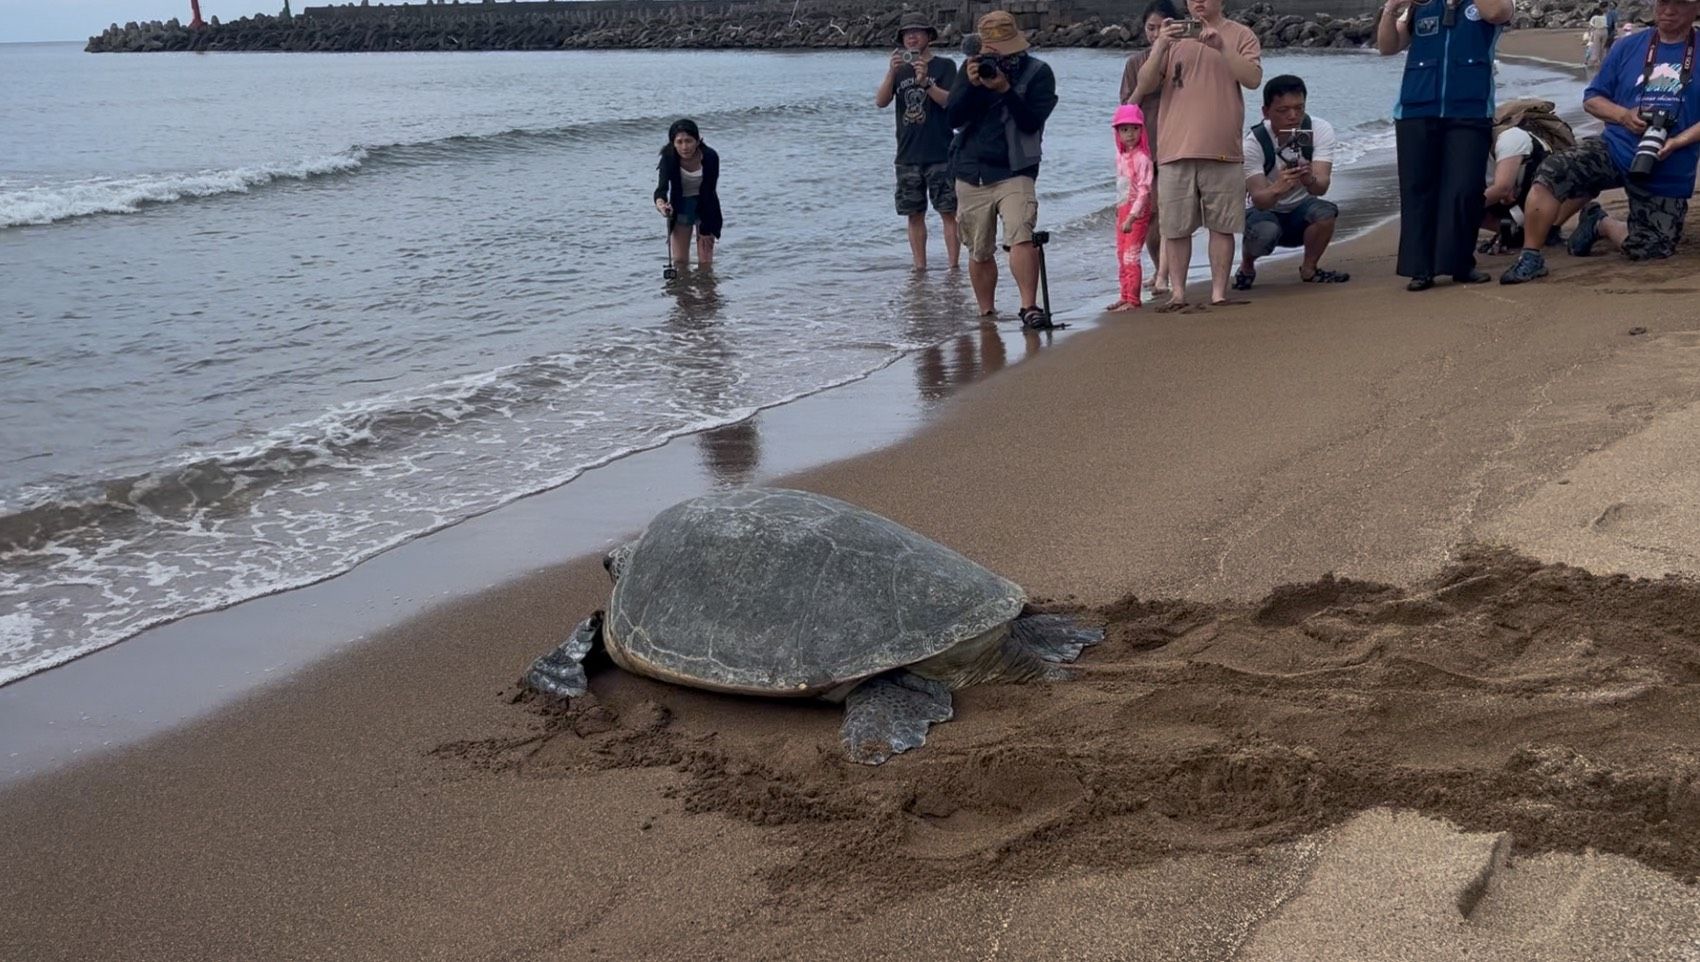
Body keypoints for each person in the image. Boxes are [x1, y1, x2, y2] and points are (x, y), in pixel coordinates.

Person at [1501, 0, 1700, 282]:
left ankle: (1600, 223)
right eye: (1663, 1)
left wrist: (1679, 141)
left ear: (1696, 8)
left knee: (1650, 248)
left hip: (1668, 161)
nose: (1668, 10)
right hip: (1615, 147)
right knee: (1553, 170)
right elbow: (1592, 99)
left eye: (1679, 3)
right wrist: (1623, 116)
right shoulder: (1627, 46)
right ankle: (1530, 256)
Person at [1134, 0, 1264, 312]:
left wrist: (1222, 47)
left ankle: (1219, 292)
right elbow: (1145, 84)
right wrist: (1161, 44)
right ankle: (1178, 292)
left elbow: (1253, 79)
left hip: (1223, 148)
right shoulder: (1173, 37)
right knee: (1175, 227)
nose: (1199, 2)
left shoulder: (1241, 34)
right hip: (1175, 148)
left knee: (1222, 226)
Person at [1377, 0, 1515, 291]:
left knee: (1465, 189)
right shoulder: (1420, 5)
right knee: (1417, 190)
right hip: (1416, 109)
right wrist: (1390, 9)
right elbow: (1388, 47)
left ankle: (1460, 263)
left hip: (1470, 109)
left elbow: (1496, 13)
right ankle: (1420, 268)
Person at [946, 10, 1059, 328]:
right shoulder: (970, 70)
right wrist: (972, 86)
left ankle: (1029, 307)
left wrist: (1005, 89)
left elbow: (1031, 122)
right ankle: (986, 312)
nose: (998, 60)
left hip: (1016, 168)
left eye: (1004, 53)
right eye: (992, 54)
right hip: (971, 170)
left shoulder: (1038, 73)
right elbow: (953, 118)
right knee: (978, 248)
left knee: (1021, 234)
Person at [1234, 74, 1350, 290]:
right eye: (1283, 110)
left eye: (1299, 108)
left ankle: (1309, 268)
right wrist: (1278, 187)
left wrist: (1308, 179)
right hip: (1264, 213)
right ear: (1266, 112)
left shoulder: (1318, 130)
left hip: (1301, 209)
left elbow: (1321, 188)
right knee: (1265, 232)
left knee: (1325, 213)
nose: (1293, 116)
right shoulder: (1254, 143)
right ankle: (1247, 265)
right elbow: (1259, 200)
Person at [876, 19, 960, 271]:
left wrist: (926, 83)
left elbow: (950, 102)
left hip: (941, 152)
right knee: (913, 214)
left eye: (917, 33)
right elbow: (881, 101)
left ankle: (953, 267)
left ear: (929, 36)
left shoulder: (945, 66)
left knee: (948, 212)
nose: (912, 38)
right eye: (907, 34)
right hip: (907, 154)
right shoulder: (900, 71)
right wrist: (891, 72)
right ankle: (919, 268)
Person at [1120, 0, 1182, 295]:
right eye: (1150, 28)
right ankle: (1160, 269)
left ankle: (1165, 275)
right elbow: (1127, 107)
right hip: (1146, 147)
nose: (1156, 34)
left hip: (1178, 143)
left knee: (1169, 212)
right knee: (1149, 213)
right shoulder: (1136, 63)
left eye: (1162, 27)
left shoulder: (1183, 58)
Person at [653, 119, 722, 270]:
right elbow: (661, 190)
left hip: (706, 205)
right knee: (680, 261)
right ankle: (683, 285)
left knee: (705, 262)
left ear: (697, 140)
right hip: (682, 205)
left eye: (689, 141)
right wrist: (662, 206)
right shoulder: (668, 158)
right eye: (679, 142)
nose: (684, 147)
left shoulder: (710, 156)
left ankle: (706, 284)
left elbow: (710, 190)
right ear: (673, 143)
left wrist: (707, 228)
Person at [1108, 104, 1155, 311]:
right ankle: (1124, 294)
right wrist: (1120, 210)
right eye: (1124, 129)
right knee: (1121, 254)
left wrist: (1132, 216)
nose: (1130, 134)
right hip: (1123, 208)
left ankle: (1133, 299)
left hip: (1137, 212)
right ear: (1118, 133)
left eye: (1134, 129)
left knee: (1131, 255)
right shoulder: (1121, 156)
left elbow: (1144, 191)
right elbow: (1122, 185)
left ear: (1141, 130)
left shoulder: (1142, 158)